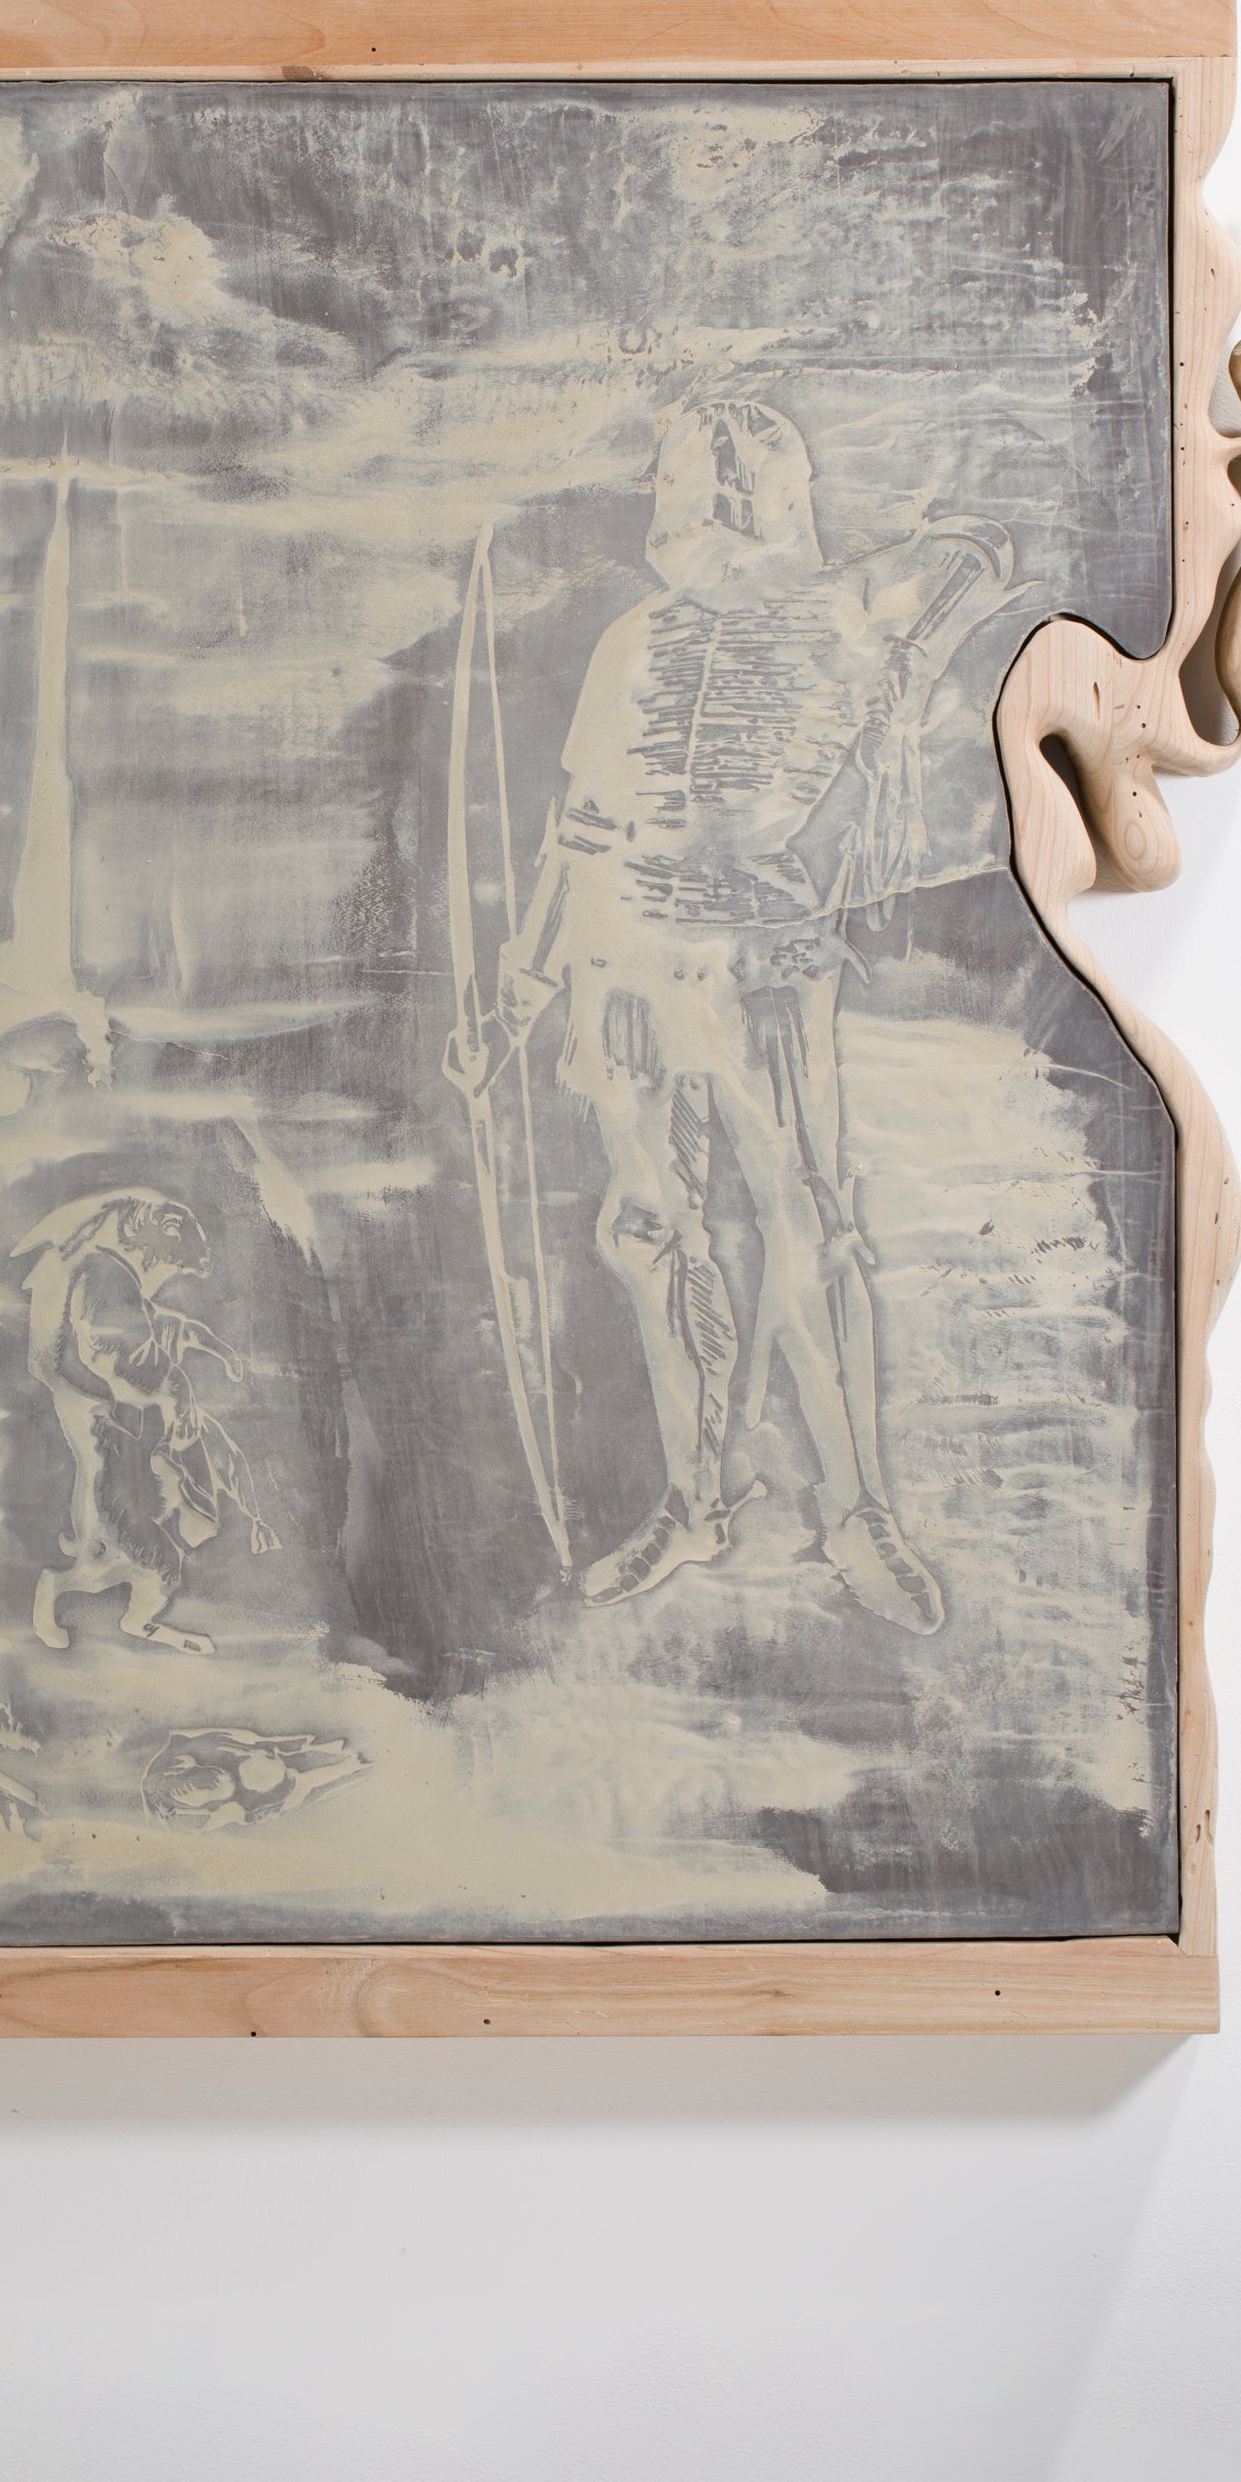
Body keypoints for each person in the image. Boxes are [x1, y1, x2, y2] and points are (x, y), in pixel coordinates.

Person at [455, 399, 1005, 1621]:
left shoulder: (843, 608)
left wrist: (906, 658)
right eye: (676, 481)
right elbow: (580, 826)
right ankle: (693, 1502)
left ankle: (855, 1516)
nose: (682, 506)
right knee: (650, 1227)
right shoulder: (630, 641)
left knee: (805, 1222)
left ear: (759, 493)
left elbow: (976, 555)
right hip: (619, 959)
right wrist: (522, 985)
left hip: (759, 960)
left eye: (701, 481)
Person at [15, 1188, 277, 1650]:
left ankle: (117, 1593)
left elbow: (167, 1327)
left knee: (139, 1551)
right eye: (174, 1266)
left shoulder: (121, 1284)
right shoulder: (105, 1273)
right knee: (124, 1538)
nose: (170, 1276)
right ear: (159, 1240)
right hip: (106, 1419)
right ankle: (77, 1578)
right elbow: (116, 1351)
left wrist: (218, 1353)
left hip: (121, 1424)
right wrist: (176, 1388)